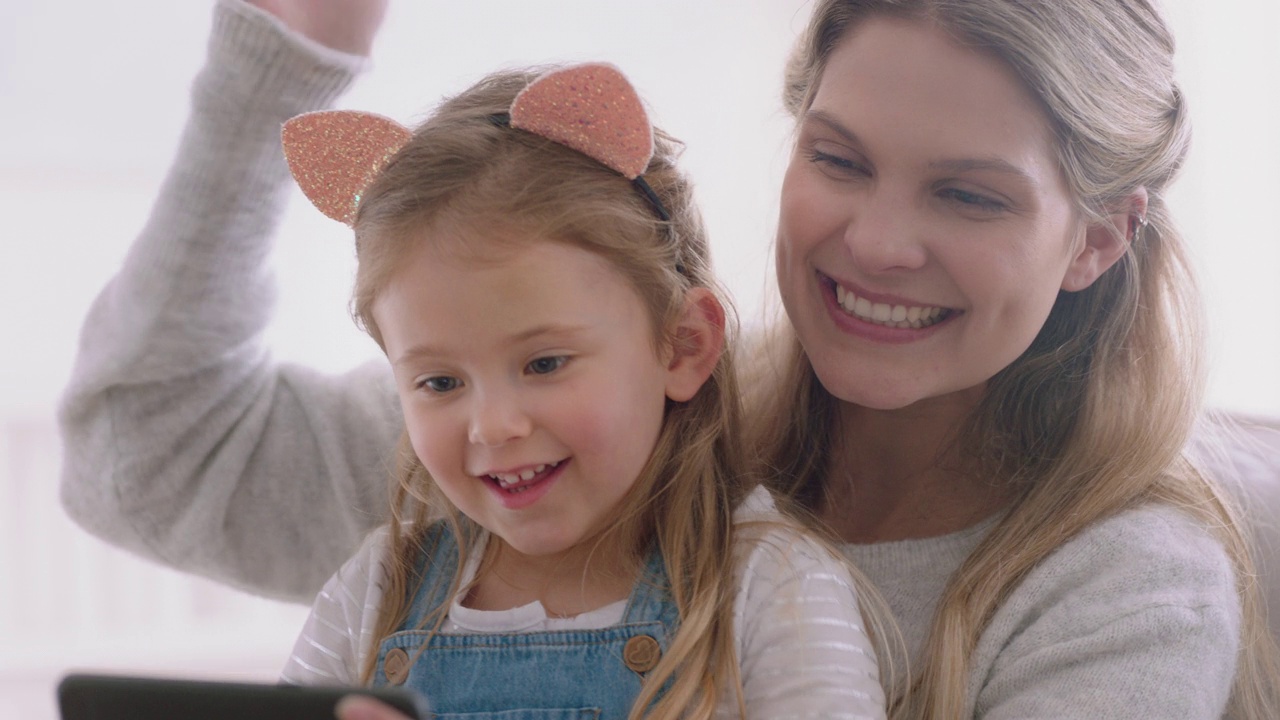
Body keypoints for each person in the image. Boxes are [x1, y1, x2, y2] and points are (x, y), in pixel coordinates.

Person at [58, 0, 1280, 718]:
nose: (874, 241)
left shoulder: (1126, 586)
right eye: (839, 160)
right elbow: (148, 452)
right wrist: (293, 46)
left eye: (967, 195)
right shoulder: (556, 429)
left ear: (1096, 240)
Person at [268, 62, 885, 718]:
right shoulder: (380, 587)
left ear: (682, 347)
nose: (494, 425)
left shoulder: (770, 586)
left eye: (545, 364)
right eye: (440, 381)